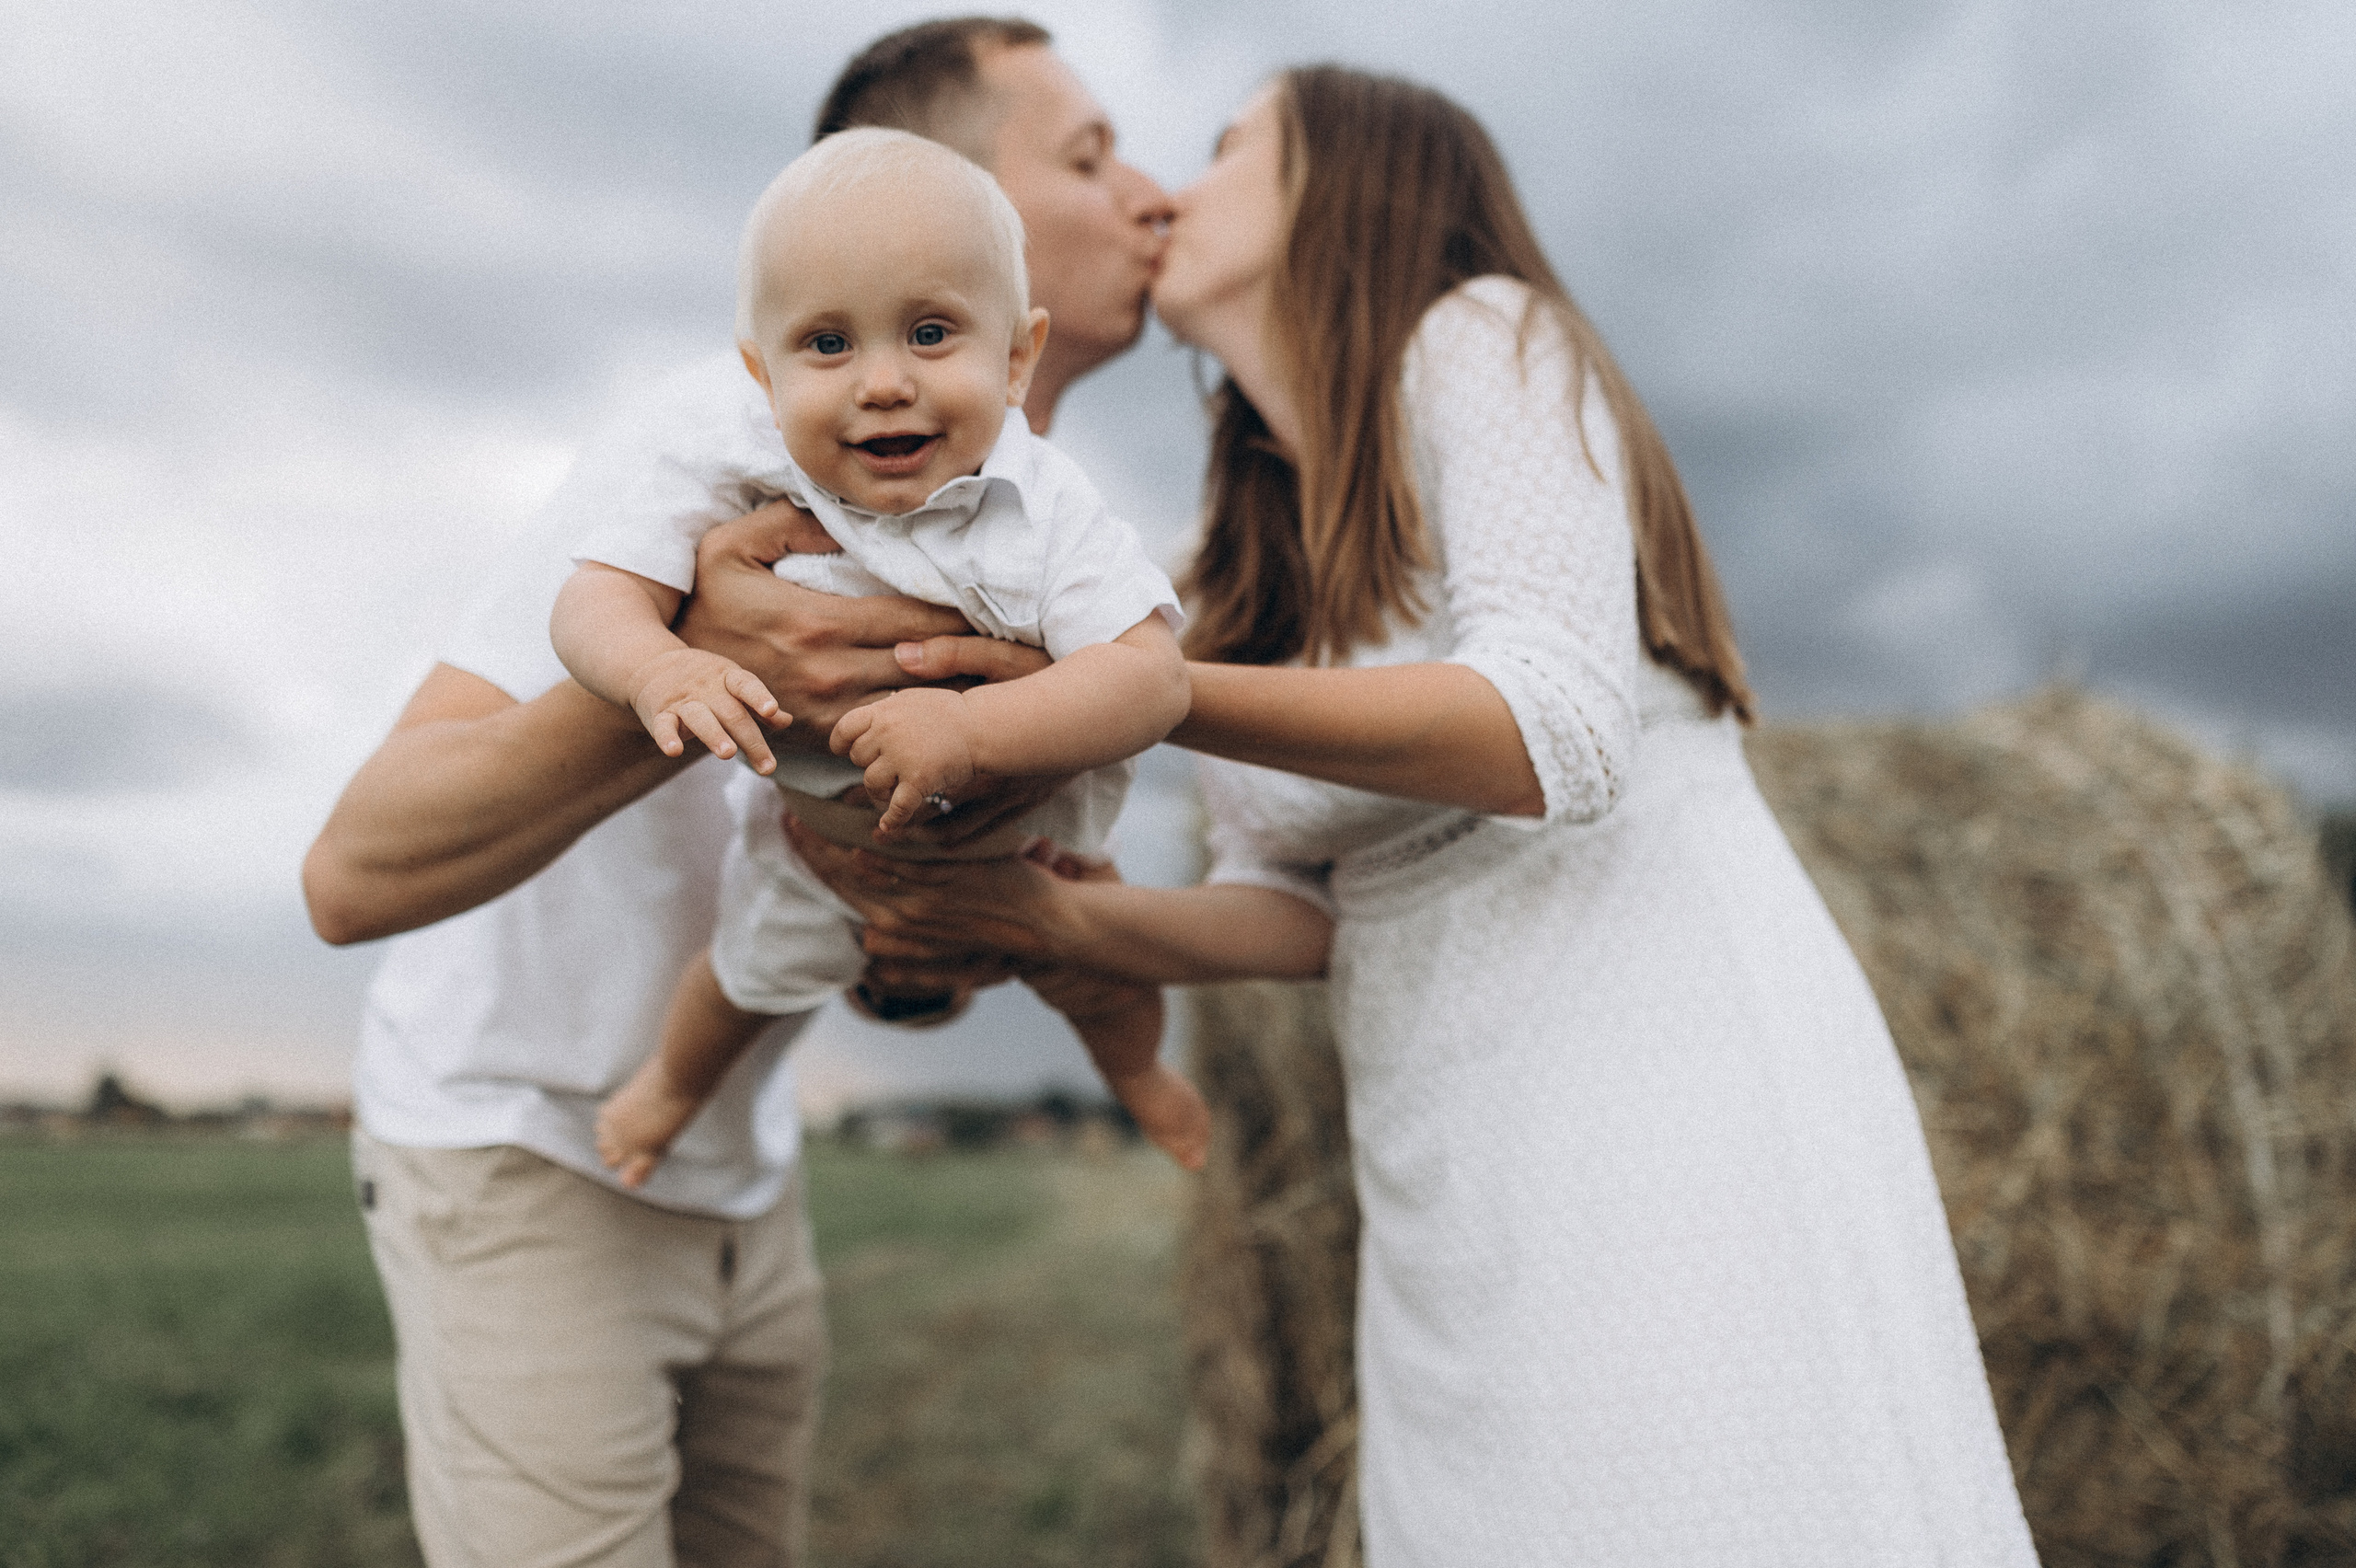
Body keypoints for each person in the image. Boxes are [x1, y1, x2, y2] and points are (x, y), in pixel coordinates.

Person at [787, 66, 2042, 1566]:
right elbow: (1300, 909)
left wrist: (1152, 693)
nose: (1176, 188)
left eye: (1230, 145)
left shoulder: (1485, 334)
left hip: (1662, 1093)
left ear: (1353, 179)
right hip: (1444, 1152)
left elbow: (1555, 726)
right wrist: (1053, 918)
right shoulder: (1227, 552)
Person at [300, 17, 1174, 1566]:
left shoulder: (1021, 504)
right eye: (1096, 158)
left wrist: (940, 938)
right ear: (925, 190)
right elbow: (350, 874)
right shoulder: (704, 442)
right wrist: (694, 656)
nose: (1156, 198)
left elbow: (876, 920)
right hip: (524, 1142)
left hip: (738, 1159)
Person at [554, 129, 1205, 1182]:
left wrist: (973, 729)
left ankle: (1139, 1083)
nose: (883, 383)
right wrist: (655, 667)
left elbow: (1151, 676)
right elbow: (592, 597)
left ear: (1017, 357)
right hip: (824, 850)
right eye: (827, 345)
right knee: (736, 982)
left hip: (1031, 849)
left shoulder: (1043, 509)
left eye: (931, 332)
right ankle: (669, 1094)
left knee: (1108, 984)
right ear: (761, 376)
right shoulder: (740, 468)